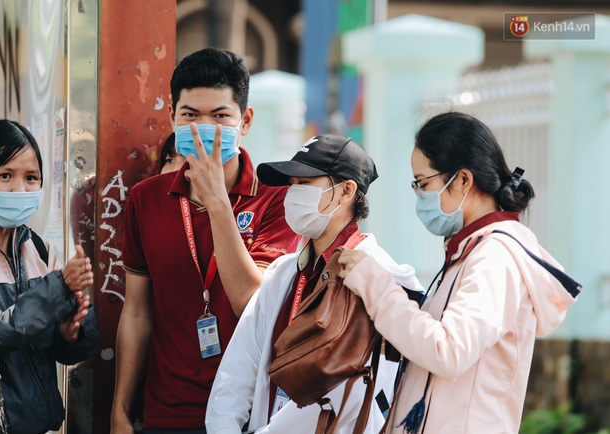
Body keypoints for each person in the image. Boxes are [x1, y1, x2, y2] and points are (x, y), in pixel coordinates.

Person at [338, 112, 581, 434]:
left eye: (423, 183)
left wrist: (375, 284)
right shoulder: (470, 250)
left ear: (463, 180)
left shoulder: (495, 258)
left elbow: (448, 352)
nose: (419, 195)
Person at [111, 47, 301, 434]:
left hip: (247, 412)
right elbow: (136, 312)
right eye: (190, 115)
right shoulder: (146, 198)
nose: (203, 128)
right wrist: (121, 409)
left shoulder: (278, 199)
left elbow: (252, 302)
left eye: (219, 116)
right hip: (166, 413)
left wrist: (217, 202)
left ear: (245, 121)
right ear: (172, 118)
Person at [206, 134, 424, 433]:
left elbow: (344, 394)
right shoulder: (283, 274)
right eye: (291, 184)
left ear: (346, 191)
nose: (292, 194)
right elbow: (237, 371)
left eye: (305, 183)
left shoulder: (379, 278)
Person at [0, 119, 102, 434]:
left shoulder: (41, 250)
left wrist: (69, 332)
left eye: (31, 178)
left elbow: (58, 351)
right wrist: (59, 287)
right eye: (5, 175)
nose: (20, 189)